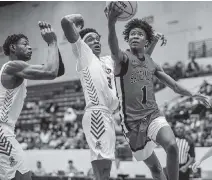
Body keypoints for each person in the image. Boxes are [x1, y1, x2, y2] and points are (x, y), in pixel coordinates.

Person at [107, 3, 210, 180]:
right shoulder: (122, 58)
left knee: (171, 145)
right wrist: (111, 22)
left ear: (145, 40)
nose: (135, 36)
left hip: (153, 115)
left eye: (139, 34)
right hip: (132, 123)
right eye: (132, 34)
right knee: (155, 169)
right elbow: (113, 45)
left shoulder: (151, 63)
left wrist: (193, 94)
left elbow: (175, 86)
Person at [61, 13, 166, 180]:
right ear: (82, 44)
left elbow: (139, 62)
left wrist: (152, 42)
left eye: (97, 39)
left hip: (112, 115)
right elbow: (65, 23)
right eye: (90, 39)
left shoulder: (109, 60)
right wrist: (78, 17)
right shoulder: (84, 56)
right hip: (97, 113)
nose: (96, 41)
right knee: (103, 171)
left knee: (105, 171)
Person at [0, 21, 64, 180]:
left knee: (20, 175)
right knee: (22, 176)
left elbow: (58, 70)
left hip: (6, 129)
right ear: (13, 48)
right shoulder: (12, 67)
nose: (29, 47)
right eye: (25, 44)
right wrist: (52, 42)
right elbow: (50, 71)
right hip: (2, 130)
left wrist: (54, 44)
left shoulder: (18, 69)